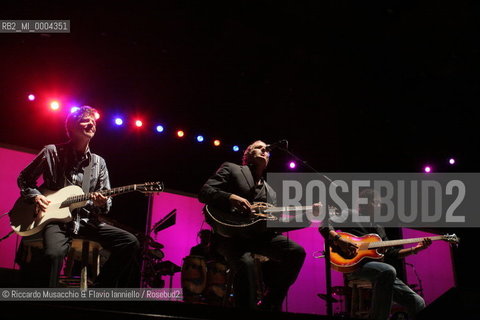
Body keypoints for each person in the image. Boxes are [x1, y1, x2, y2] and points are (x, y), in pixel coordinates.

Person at [17, 106, 140, 288]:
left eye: (94, 121)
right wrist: (35, 197)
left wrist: (102, 202)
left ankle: (100, 289)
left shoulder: (99, 163)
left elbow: (107, 201)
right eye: (85, 120)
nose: (91, 123)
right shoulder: (52, 152)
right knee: (53, 254)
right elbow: (24, 179)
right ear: (72, 127)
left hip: (85, 220)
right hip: (56, 221)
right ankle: (45, 302)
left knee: (130, 242)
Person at [198, 140, 307, 311]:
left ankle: (269, 302)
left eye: (267, 150)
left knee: (296, 252)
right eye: (260, 148)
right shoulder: (232, 168)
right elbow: (205, 192)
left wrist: (306, 217)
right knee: (245, 264)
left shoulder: (270, 191)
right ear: (248, 154)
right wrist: (229, 198)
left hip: (258, 237)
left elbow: (274, 223)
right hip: (230, 237)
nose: (265, 151)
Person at [320, 189, 431, 320]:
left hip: (382, 272)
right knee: (388, 270)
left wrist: (415, 249)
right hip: (355, 266)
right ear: (366, 203)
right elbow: (324, 225)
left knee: (418, 302)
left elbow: (392, 252)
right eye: (376, 202)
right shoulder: (349, 214)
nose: (379, 205)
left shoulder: (378, 226)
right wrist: (339, 239)